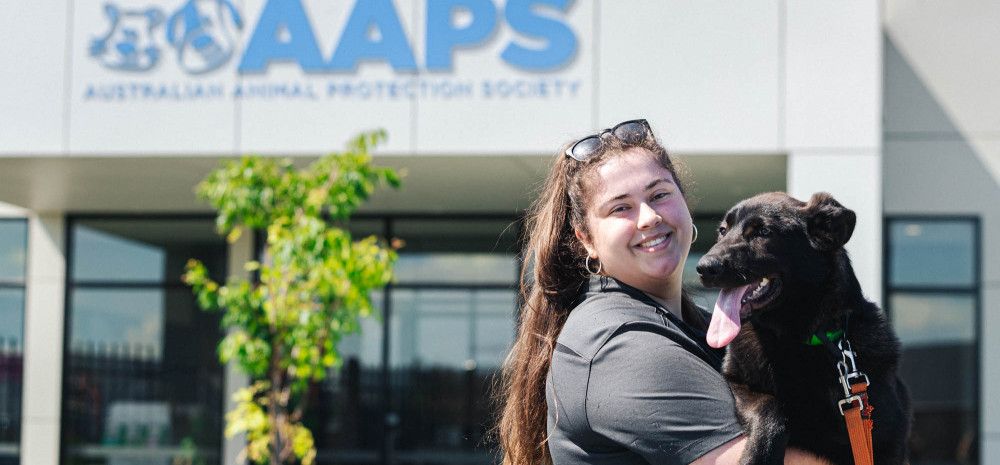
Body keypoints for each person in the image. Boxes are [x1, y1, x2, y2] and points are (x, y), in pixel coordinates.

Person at [496, 120, 829, 465]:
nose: (649, 217)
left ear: (685, 204)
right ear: (587, 240)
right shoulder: (622, 347)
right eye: (620, 208)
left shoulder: (700, 324)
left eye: (659, 195)